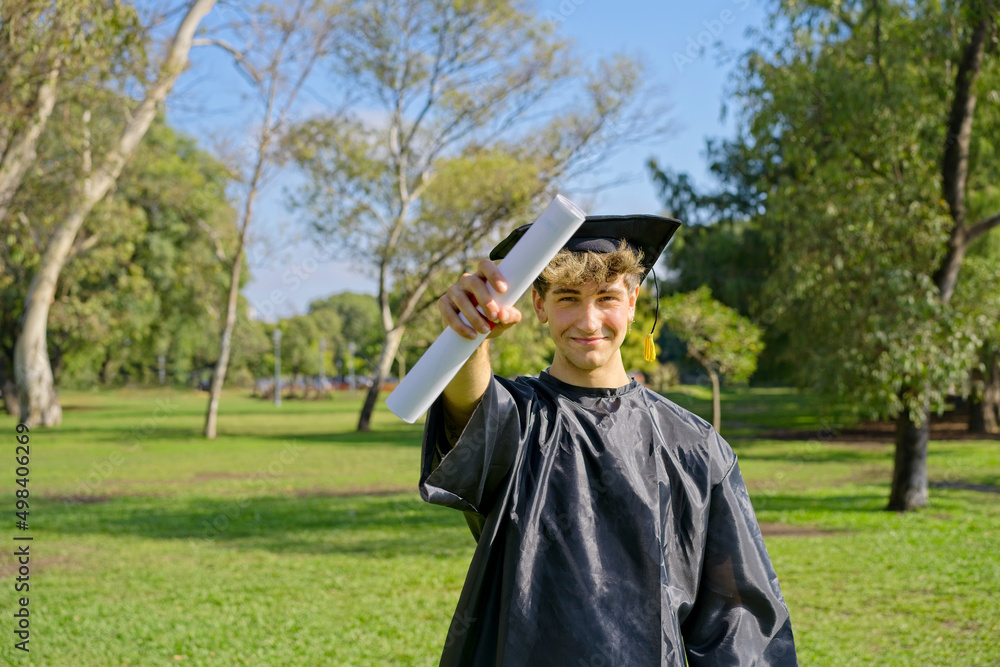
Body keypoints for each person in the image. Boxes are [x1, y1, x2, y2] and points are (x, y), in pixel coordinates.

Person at [419, 215, 797, 666]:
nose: (588, 319)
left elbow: (735, 618)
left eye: (607, 298)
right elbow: (470, 408)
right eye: (567, 298)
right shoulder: (519, 421)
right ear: (539, 305)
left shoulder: (693, 445)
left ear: (633, 302)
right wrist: (470, 332)